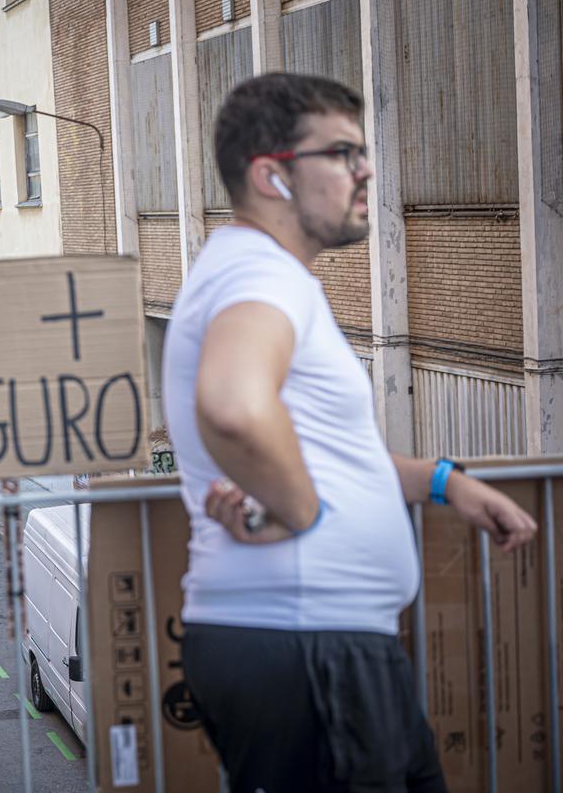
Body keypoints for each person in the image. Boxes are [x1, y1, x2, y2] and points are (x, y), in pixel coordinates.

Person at [162, 73, 538, 792]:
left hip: (318, 647)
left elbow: (328, 450)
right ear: (272, 174)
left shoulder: (257, 273)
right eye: (341, 153)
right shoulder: (260, 279)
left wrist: (441, 481)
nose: (365, 169)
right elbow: (234, 404)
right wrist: (296, 509)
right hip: (307, 646)